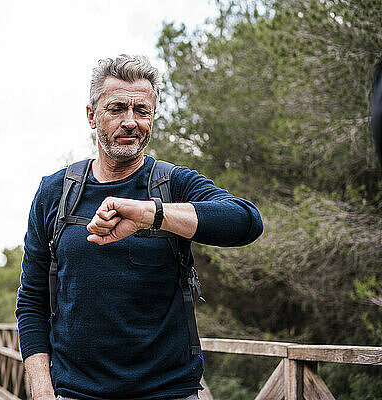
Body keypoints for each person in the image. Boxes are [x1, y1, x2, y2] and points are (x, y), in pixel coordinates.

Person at [15, 54, 263, 400]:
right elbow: (31, 300)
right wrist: (41, 388)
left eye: (141, 111)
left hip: (169, 391)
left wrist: (151, 213)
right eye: (116, 108)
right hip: (76, 392)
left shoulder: (172, 184)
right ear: (91, 115)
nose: (130, 122)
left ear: (153, 116)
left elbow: (246, 220)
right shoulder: (55, 192)